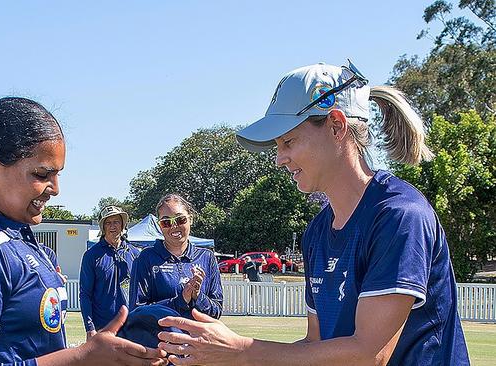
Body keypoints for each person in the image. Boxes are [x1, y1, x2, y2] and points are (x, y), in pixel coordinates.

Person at [157, 60, 469, 365]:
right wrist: (221, 356)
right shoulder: (317, 232)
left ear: (336, 126)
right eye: (278, 145)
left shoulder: (399, 216)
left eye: (288, 141)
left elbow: (368, 354)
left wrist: (241, 352)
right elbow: (316, 346)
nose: (280, 159)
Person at [0, 97, 167, 366]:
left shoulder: (15, 237)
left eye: (58, 175)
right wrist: (81, 358)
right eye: (42, 174)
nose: (55, 188)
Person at [129, 194, 223, 320]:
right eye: (166, 222)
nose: (174, 226)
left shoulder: (207, 257)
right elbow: (137, 312)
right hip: (161, 339)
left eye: (180, 220)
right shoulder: (146, 258)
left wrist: (198, 296)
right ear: (159, 225)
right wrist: (180, 301)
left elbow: (216, 312)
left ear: (191, 219)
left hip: (199, 339)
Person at [80, 205, 140, 340]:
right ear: (103, 227)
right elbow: (85, 294)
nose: (112, 226)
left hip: (131, 326)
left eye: (116, 222)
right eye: (108, 222)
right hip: (102, 327)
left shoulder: (135, 254)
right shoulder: (91, 255)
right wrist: (90, 328)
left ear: (123, 224)